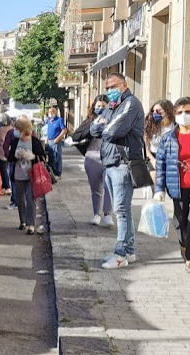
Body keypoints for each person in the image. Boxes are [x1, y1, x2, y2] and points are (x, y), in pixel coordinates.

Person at [90, 73, 146, 269]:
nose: (109, 91)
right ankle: (130, 251)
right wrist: (105, 126)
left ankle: (120, 254)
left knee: (121, 210)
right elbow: (93, 128)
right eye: (107, 88)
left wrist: (105, 127)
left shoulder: (131, 104)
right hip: (111, 162)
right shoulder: (112, 107)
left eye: (113, 86)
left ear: (124, 84)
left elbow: (114, 131)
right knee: (123, 210)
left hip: (123, 162)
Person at [154, 97, 190, 273]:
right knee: (181, 223)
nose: (184, 115)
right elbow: (161, 165)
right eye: (180, 112)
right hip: (177, 188)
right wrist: (159, 190)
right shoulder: (168, 138)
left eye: (188, 111)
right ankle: (185, 247)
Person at [73, 95, 114, 226]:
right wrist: (92, 128)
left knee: (109, 186)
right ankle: (96, 214)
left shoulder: (114, 120)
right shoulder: (89, 120)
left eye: (103, 106)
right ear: (94, 107)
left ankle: (108, 214)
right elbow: (75, 136)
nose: (101, 108)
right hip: (92, 156)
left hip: (109, 156)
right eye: (98, 106)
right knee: (96, 188)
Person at [8, 118, 46, 234]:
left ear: (24, 130)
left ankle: (31, 224)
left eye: (17, 129)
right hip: (19, 174)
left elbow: (42, 156)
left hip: (32, 174)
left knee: (31, 199)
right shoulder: (15, 142)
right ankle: (22, 221)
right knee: (20, 199)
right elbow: (9, 158)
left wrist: (32, 156)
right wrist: (16, 155)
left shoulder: (34, 141)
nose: (15, 131)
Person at [145, 99, 176, 170]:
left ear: (168, 111)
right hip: (153, 158)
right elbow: (146, 148)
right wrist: (153, 161)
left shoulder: (175, 125)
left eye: (159, 111)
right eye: (154, 111)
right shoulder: (150, 125)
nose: (155, 113)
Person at [45, 106, 66, 177]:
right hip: (50, 141)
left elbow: (64, 130)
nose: (51, 114)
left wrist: (58, 138)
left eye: (52, 112)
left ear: (55, 113)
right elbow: (48, 130)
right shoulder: (49, 120)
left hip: (56, 141)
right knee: (51, 157)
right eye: (49, 112)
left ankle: (58, 173)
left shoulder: (59, 120)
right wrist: (47, 138)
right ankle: (53, 172)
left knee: (57, 157)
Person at [0, 113, 13, 196]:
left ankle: (7, 187)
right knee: (6, 170)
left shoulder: (0, 130)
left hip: (1, 153)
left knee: (3, 170)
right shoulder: (11, 128)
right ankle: (5, 186)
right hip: (10, 153)